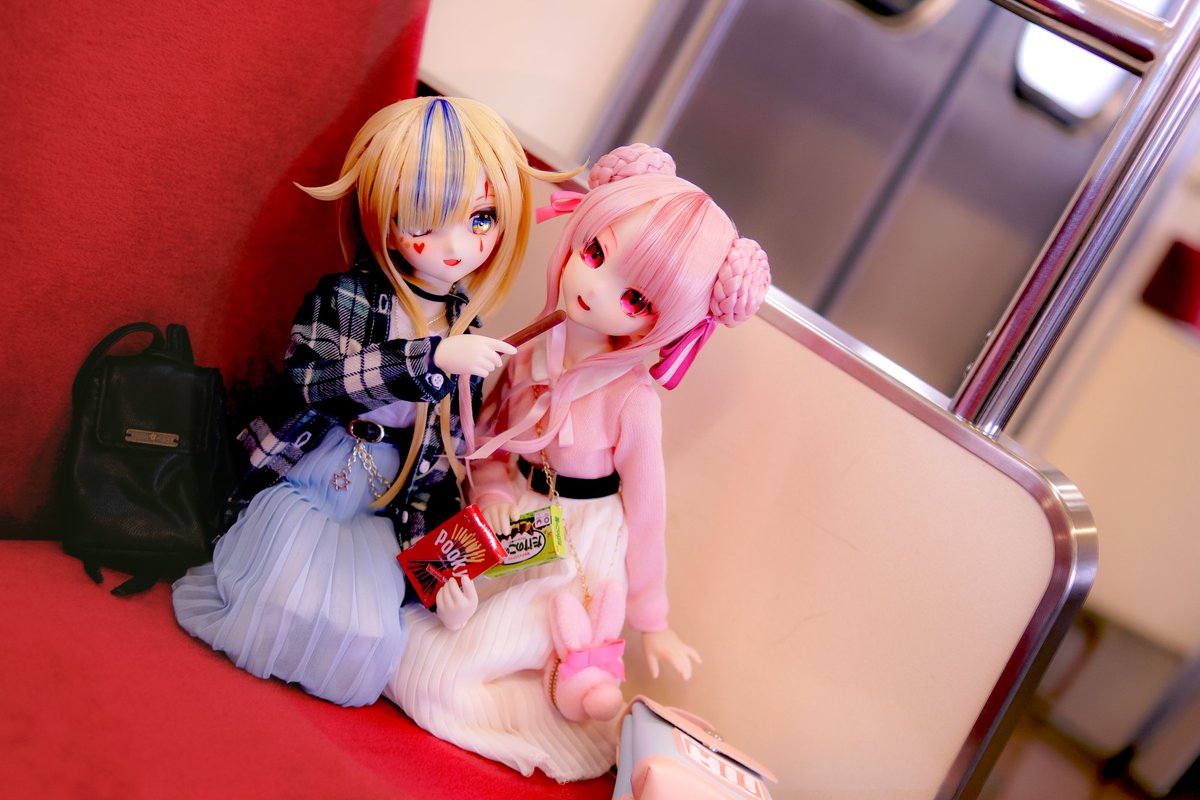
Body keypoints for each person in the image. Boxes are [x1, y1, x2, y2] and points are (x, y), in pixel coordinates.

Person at [385, 143, 771, 780]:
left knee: (475, 658)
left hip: (579, 543)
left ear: (666, 320)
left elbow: (647, 513)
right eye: (593, 253)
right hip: (513, 518)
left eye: (636, 299)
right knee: (418, 635)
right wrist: (494, 496)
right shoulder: (530, 349)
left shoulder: (633, 401)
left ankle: (525, 705)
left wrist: (653, 620)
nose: (592, 288)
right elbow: (490, 437)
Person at [172, 96, 572, 707]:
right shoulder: (347, 297)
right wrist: (429, 358)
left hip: (382, 504)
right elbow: (312, 383)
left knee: (368, 634)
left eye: (481, 218)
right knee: (276, 600)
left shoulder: (469, 328)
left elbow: (440, 471)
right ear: (383, 216)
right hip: (312, 471)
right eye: (424, 220)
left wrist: (443, 586)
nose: (455, 246)